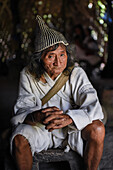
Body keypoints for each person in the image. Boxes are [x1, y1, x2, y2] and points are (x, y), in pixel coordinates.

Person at [10, 15, 105, 170]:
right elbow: (21, 110)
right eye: (50, 56)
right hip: (42, 129)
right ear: (39, 58)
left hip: (72, 130)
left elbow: (94, 107)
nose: (58, 61)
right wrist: (38, 116)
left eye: (62, 54)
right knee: (19, 138)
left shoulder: (76, 73)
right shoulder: (27, 75)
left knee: (98, 129)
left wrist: (69, 118)